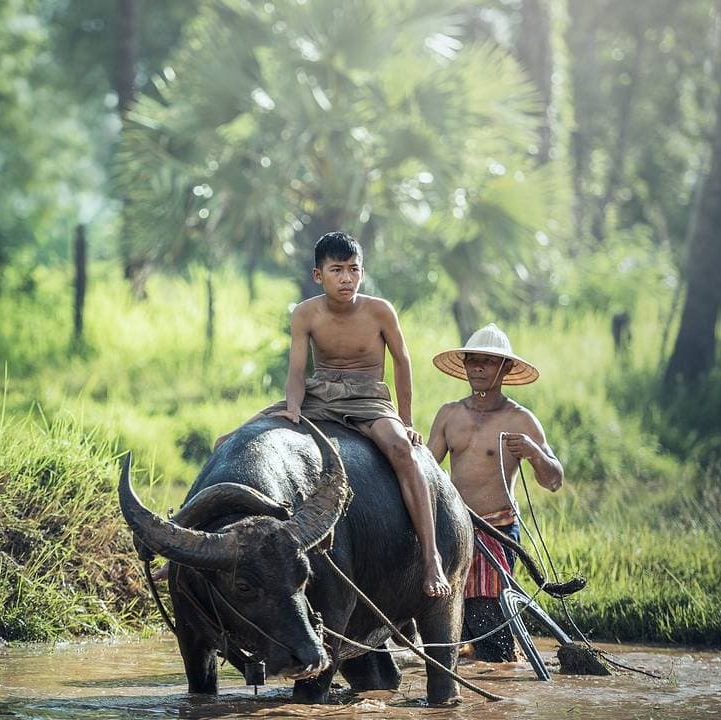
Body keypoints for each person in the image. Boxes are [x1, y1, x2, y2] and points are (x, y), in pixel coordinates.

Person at [230, 231, 450, 597]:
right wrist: (293, 408)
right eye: (337, 270)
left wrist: (406, 420)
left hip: (368, 398)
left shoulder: (379, 310)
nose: (346, 278)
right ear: (319, 275)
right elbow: (297, 371)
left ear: (362, 271)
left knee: (403, 452)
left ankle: (431, 558)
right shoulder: (305, 313)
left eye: (353, 269)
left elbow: (402, 361)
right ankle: (193, 549)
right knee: (231, 439)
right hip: (321, 394)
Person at [425, 323, 563, 661]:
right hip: (454, 529)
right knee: (448, 619)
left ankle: (500, 666)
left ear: (506, 368)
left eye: (487, 361)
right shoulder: (450, 414)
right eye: (473, 360)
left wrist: (533, 452)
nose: (478, 368)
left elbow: (554, 480)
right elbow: (426, 470)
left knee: (488, 619)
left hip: (496, 530)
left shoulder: (520, 420)